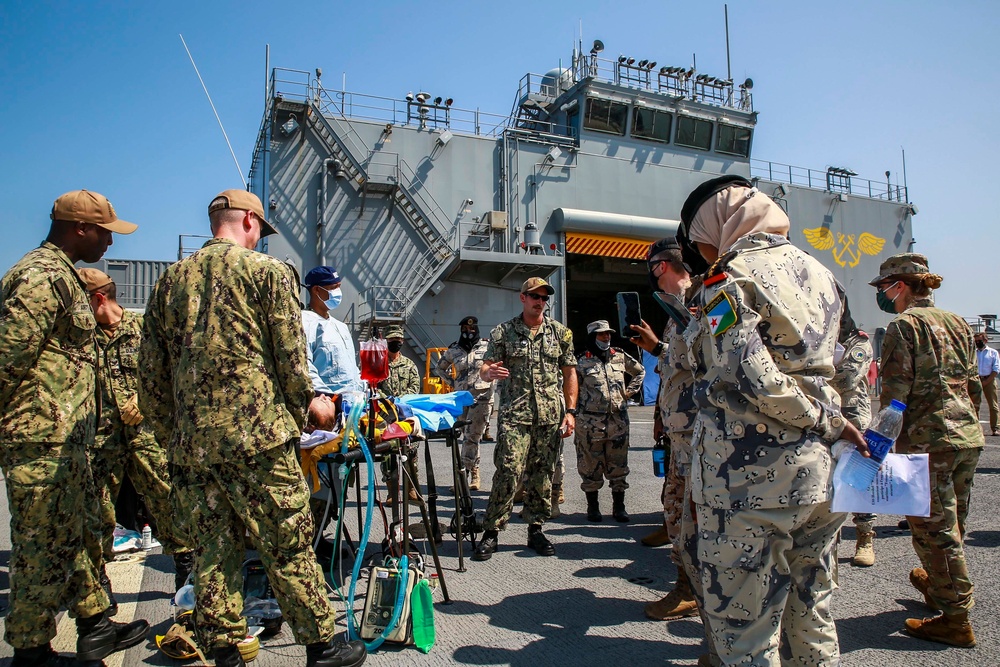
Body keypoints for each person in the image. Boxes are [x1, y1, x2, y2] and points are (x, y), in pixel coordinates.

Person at [138, 189, 366, 667]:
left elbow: (152, 374)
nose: (260, 236)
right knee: (286, 542)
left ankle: (225, 652)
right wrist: (311, 405)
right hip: (258, 438)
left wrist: (171, 436)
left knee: (211, 551)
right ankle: (323, 646)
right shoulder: (267, 273)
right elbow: (289, 355)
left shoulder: (170, 281)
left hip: (191, 447)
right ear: (247, 220)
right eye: (260, 228)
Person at [677, 175, 867, 666]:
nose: (699, 249)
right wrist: (845, 426)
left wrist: (824, 421)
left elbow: (747, 374)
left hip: (749, 486)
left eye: (697, 234)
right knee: (813, 620)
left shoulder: (727, 279)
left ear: (716, 223)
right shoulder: (822, 274)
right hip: (822, 480)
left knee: (746, 636)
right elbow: (853, 360)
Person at [0, 189, 149, 666]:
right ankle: (31, 652)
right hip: (41, 439)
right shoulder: (40, 278)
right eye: (105, 231)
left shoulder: (63, 276)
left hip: (69, 440)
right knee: (40, 550)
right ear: (79, 229)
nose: (110, 241)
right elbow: (7, 358)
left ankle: (95, 626)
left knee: (83, 535)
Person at [871, 253, 984, 647]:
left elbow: (894, 396)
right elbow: (973, 385)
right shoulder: (958, 323)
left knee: (933, 530)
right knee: (952, 525)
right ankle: (940, 587)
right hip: (966, 436)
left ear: (898, 286)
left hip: (927, 441)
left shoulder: (903, 326)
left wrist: (876, 446)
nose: (883, 295)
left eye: (883, 287)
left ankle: (955, 619)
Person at [78, 268, 194, 605]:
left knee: (170, 505)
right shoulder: (81, 337)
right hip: (100, 441)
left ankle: (186, 583)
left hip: (145, 438)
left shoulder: (141, 328)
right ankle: (99, 595)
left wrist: (142, 400)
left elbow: (173, 370)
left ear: (98, 298)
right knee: (96, 515)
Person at [472, 277, 577, 560]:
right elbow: (484, 368)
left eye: (543, 297)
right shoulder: (503, 332)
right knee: (508, 470)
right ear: (523, 298)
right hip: (515, 416)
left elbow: (569, 373)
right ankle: (492, 531)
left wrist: (570, 412)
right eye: (534, 296)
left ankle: (536, 529)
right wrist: (488, 373)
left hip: (550, 417)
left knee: (543, 473)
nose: (539, 301)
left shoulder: (560, 333)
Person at [628, 238, 701, 623]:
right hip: (679, 430)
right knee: (678, 511)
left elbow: (707, 358)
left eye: (652, 265)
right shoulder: (676, 310)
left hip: (698, 433)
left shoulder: (701, 298)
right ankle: (688, 587)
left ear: (662, 265)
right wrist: (657, 351)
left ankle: (696, 593)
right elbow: (677, 366)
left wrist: (660, 348)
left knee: (693, 515)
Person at [574, 320, 644, 523]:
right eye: (601, 335)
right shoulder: (580, 361)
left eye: (608, 334)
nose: (606, 338)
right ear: (592, 337)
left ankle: (619, 506)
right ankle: (593, 507)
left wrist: (630, 391)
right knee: (589, 466)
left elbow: (639, 371)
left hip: (618, 421)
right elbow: (570, 387)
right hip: (590, 422)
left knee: (619, 465)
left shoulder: (619, 355)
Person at [828, 293, 877, 567]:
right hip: (827, 421)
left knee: (859, 481)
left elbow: (846, 379)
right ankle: (830, 540)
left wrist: (811, 372)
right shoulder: (819, 337)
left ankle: (865, 537)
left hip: (854, 420)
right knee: (828, 484)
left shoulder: (858, 342)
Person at [433, 315, 496, 490]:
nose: (469, 332)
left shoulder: (488, 347)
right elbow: (439, 368)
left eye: (472, 329)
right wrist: (452, 383)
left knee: (471, 436)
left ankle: (465, 476)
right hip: (461, 399)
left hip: (481, 399)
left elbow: (497, 367)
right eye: (465, 330)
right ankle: (473, 470)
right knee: (466, 436)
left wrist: (491, 384)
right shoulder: (454, 350)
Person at [302, 265, 364, 404]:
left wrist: (364, 390)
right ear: (317, 289)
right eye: (333, 287)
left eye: (339, 286)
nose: (338, 292)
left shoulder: (341, 327)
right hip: (328, 406)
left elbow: (350, 368)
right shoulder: (304, 322)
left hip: (354, 404)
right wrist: (328, 400)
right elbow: (305, 368)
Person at [377, 325, 420, 397]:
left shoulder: (409, 365)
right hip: (384, 405)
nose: (394, 341)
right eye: (391, 339)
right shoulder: (378, 364)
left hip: (404, 405)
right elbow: (373, 387)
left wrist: (400, 400)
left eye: (397, 338)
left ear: (402, 341)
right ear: (385, 341)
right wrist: (386, 400)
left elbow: (415, 387)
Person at [974, 331, 999, 436]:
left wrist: (986, 382)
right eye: (976, 341)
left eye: (979, 340)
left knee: (993, 406)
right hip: (976, 379)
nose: (977, 343)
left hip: (989, 379)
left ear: (985, 340)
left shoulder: (993, 352)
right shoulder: (973, 353)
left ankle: (995, 428)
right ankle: (975, 429)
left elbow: (996, 369)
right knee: (975, 405)